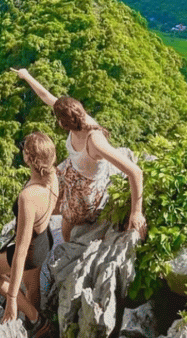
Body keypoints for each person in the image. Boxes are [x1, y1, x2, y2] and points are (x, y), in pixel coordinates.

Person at [12, 68, 147, 243]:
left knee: (67, 221)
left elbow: (135, 172)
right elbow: (46, 96)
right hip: (72, 168)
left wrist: (136, 213)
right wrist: (26, 75)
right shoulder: (76, 116)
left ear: (63, 123)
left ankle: (65, 246)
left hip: (87, 184)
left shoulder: (94, 140)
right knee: (45, 181)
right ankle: (34, 216)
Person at [0, 132, 58, 338]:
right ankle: (40, 329)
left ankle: (36, 319)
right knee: (32, 290)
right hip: (44, 241)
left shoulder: (28, 197)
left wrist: (12, 298)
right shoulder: (52, 176)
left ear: (29, 158)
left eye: (25, 150)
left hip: (31, 249)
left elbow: (21, 252)